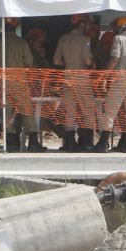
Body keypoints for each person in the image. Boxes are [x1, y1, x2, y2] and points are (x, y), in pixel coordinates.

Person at [94, 17, 126, 153]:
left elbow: (114, 58)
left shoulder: (118, 39)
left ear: (119, 26)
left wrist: (105, 76)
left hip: (120, 79)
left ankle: (103, 143)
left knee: (110, 111)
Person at [0, 18, 42, 152]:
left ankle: (11, 143)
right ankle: (33, 142)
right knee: (26, 110)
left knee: (6, 112)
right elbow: (29, 61)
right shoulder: (21, 43)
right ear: (15, 28)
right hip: (18, 81)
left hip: (1, 82)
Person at [53, 14, 95, 151]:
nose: (89, 26)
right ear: (81, 24)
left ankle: (70, 143)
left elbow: (56, 61)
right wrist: (93, 64)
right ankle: (88, 143)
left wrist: (69, 63)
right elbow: (88, 61)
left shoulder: (62, 39)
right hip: (82, 79)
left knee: (69, 111)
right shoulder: (85, 40)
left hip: (67, 78)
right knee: (88, 111)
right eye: (87, 24)